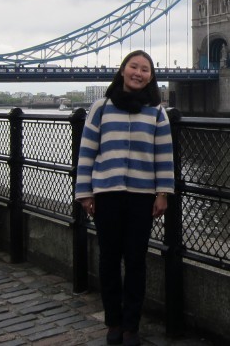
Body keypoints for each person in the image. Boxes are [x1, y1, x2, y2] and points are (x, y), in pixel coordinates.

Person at [74, 50, 174, 346]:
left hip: (143, 196)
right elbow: (87, 152)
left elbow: (164, 156)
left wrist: (163, 193)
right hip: (107, 194)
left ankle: (131, 325)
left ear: (151, 77)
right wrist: (84, 192)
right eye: (134, 66)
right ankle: (113, 322)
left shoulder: (157, 112)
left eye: (145, 69)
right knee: (108, 260)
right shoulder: (101, 108)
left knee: (136, 261)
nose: (138, 73)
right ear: (122, 70)